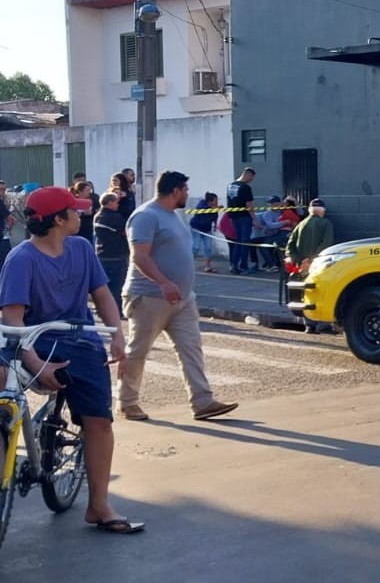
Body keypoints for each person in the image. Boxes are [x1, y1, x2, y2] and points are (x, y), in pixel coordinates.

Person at [0, 186, 140, 533]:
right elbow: (13, 322)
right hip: (29, 340)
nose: (81, 215)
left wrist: (117, 334)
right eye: (75, 211)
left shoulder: (80, 248)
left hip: (77, 340)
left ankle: (99, 505)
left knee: (98, 420)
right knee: (4, 397)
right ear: (59, 219)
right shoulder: (21, 260)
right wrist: (37, 365)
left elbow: (102, 293)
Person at [118, 171, 239, 422]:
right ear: (175, 191)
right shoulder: (145, 216)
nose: (187, 194)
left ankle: (202, 401)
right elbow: (139, 256)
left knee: (191, 348)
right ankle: (128, 402)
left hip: (182, 299)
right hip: (148, 297)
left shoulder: (173, 215)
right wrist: (162, 282)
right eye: (185, 190)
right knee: (138, 351)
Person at [285, 199, 335, 333]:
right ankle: (322, 325)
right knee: (320, 292)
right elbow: (326, 245)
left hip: (302, 267)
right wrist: (312, 259)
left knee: (304, 292)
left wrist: (301, 261)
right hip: (318, 266)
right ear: (322, 210)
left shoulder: (301, 224)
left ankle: (309, 324)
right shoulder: (326, 223)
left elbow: (289, 247)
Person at [93, 192, 130, 316]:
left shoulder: (97, 215)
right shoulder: (114, 218)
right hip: (116, 255)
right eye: (116, 202)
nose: (118, 204)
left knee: (104, 286)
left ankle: (102, 310)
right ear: (109, 202)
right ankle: (116, 311)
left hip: (102, 254)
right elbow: (126, 232)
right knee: (117, 285)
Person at [225, 168, 256, 274]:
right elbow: (249, 205)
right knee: (245, 242)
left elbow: (229, 202)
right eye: (251, 177)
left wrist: (230, 217)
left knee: (237, 242)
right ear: (248, 175)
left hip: (234, 217)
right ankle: (243, 265)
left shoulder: (230, 185)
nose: (251, 180)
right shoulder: (245, 187)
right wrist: (255, 220)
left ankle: (234, 264)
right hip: (244, 217)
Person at [190, 192, 220, 274]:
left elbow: (215, 216)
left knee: (208, 248)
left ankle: (208, 266)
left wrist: (215, 225)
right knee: (195, 247)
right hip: (196, 227)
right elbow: (201, 209)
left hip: (207, 229)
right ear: (210, 201)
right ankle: (188, 264)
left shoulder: (215, 208)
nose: (217, 202)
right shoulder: (202, 203)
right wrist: (212, 207)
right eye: (215, 200)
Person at [70, 180, 98, 246]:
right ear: (80, 191)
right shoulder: (73, 201)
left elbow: (96, 211)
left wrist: (93, 212)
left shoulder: (93, 199)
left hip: (89, 228)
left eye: (90, 190)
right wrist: (81, 214)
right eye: (87, 190)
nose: (89, 192)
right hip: (78, 229)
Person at [0, 180, 12, 264]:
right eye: (0, 189)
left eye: (4, 189)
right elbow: (10, 219)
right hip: (2, 238)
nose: (2, 192)